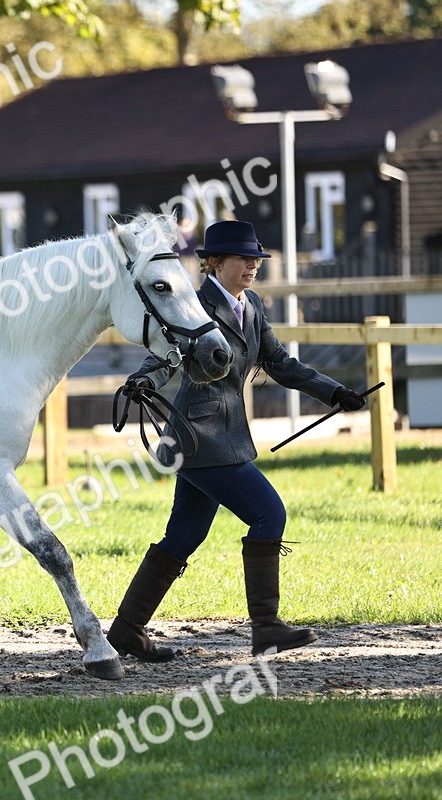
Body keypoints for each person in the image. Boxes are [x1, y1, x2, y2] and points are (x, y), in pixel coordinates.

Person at [107, 219, 367, 662]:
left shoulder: (252, 306)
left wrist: (333, 392)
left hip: (223, 438)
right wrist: (142, 380)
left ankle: (126, 631)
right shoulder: (197, 304)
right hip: (201, 438)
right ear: (213, 264)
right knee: (268, 513)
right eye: (244, 260)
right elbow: (167, 356)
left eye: (256, 260)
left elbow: (280, 362)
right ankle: (266, 626)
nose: (252, 266)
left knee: (183, 536)